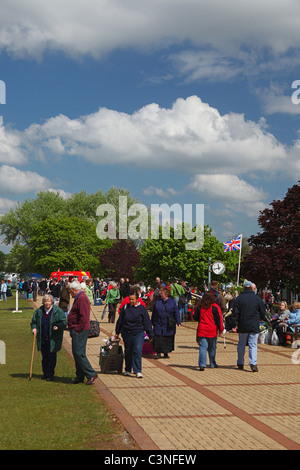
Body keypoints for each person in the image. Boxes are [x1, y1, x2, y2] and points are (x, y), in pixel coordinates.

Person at [231, 280, 267, 372]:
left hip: (243, 324)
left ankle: (240, 362)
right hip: (254, 324)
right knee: (253, 344)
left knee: (241, 344)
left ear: (243, 288)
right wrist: (261, 318)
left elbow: (235, 313)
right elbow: (263, 312)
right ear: (252, 288)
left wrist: (233, 324)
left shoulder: (239, 299)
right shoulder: (257, 298)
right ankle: (253, 363)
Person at [115, 289, 153, 378]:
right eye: (130, 299)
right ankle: (128, 369)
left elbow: (147, 322)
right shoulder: (125, 308)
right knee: (128, 351)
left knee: (137, 350)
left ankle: (137, 370)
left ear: (137, 299)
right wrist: (117, 332)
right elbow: (120, 320)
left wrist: (150, 335)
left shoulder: (142, 309)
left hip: (138, 333)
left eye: (133, 299)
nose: (131, 301)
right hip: (127, 332)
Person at [67, 280, 98, 385]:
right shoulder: (79, 297)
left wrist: (77, 329)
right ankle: (80, 376)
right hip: (78, 329)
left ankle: (91, 373)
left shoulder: (82, 298)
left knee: (79, 353)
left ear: (74, 290)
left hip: (80, 330)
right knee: (77, 353)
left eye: (70, 291)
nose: (70, 293)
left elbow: (84, 316)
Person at [31, 294, 67, 381]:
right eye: (45, 301)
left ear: (52, 302)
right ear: (43, 302)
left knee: (51, 356)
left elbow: (63, 322)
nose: (47, 303)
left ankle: (50, 374)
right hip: (42, 337)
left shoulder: (57, 311)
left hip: (53, 338)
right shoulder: (39, 311)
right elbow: (34, 321)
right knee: (44, 357)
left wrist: (58, 326)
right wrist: (34, 328)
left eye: (49, 301)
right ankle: (45, 373)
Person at [193, 292, 224, 370]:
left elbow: (195, 316)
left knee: (203, 347)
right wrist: (221, 329)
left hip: (202, 329)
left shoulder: (199, 307)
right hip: (212, 330)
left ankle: (202, 364)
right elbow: (219, 319)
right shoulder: (215, 307)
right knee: (212, 348)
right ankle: (212, 363)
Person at [151, 286, 181, 359]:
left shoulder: (171, 302)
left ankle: (166, 353)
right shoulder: (157, 301)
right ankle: (158, 353)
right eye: (160, 293)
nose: (161, 295)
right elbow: (154, 312)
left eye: (162, 293)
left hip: (168, 324)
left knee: (167, 338)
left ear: (167, 294)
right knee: (158, 337)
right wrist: (151, 322)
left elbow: (176, 312)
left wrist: (178, 322)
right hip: (158, 323)